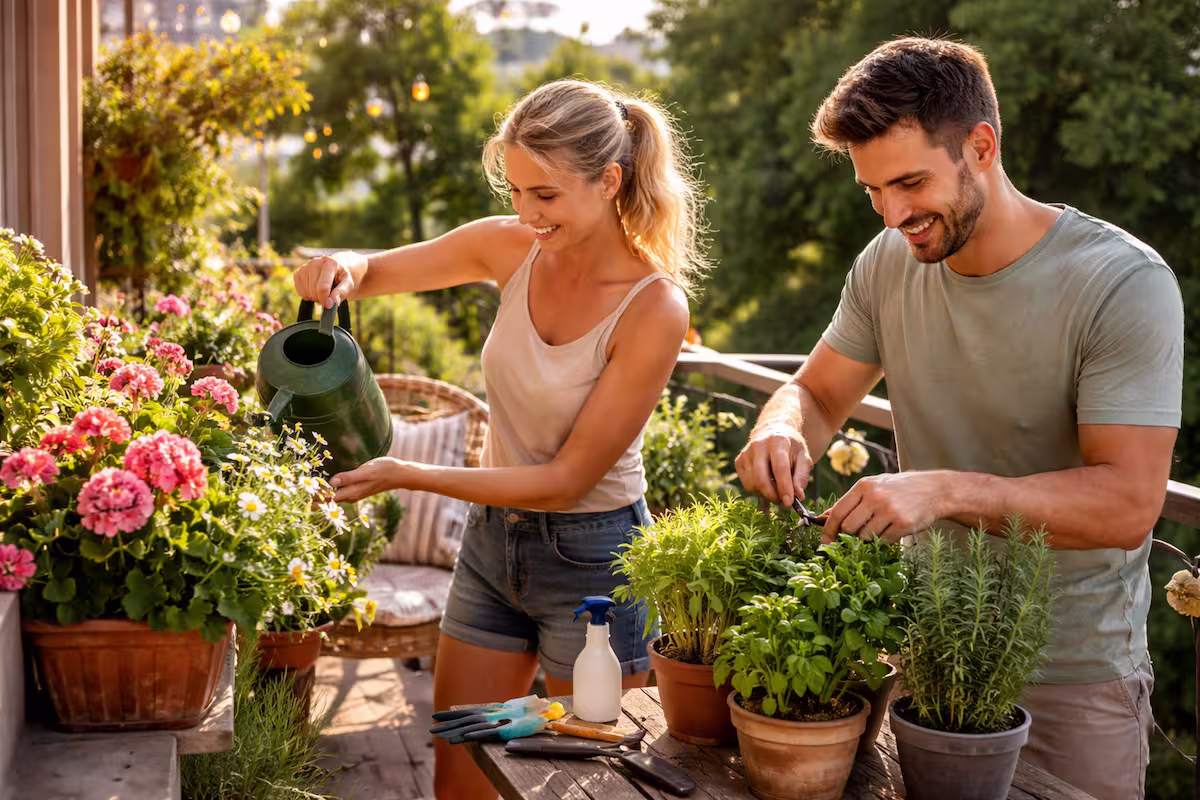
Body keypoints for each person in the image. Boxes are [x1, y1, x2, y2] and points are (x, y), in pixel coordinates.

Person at [734, 36, 1181, 800]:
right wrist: (778, 428)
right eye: (873, 192)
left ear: (981, 146)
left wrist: (940, 492)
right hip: (927, 656)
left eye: (909, 183)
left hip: (1072, 681)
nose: (894, 214)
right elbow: (814, 395)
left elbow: (1128, 503)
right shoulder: (886, 262)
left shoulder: (1121, 284)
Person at [292, 79, 706, 800]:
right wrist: (339, 269)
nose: (525, 212)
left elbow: (566, 479)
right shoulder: (511, 248)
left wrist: (409, 473)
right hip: (491, 548)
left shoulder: (654, 308)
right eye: (515, 190)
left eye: (544, 195)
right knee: (461, 778)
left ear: (609, 181)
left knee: (591, 787)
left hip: (595, 565)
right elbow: (376, 268)